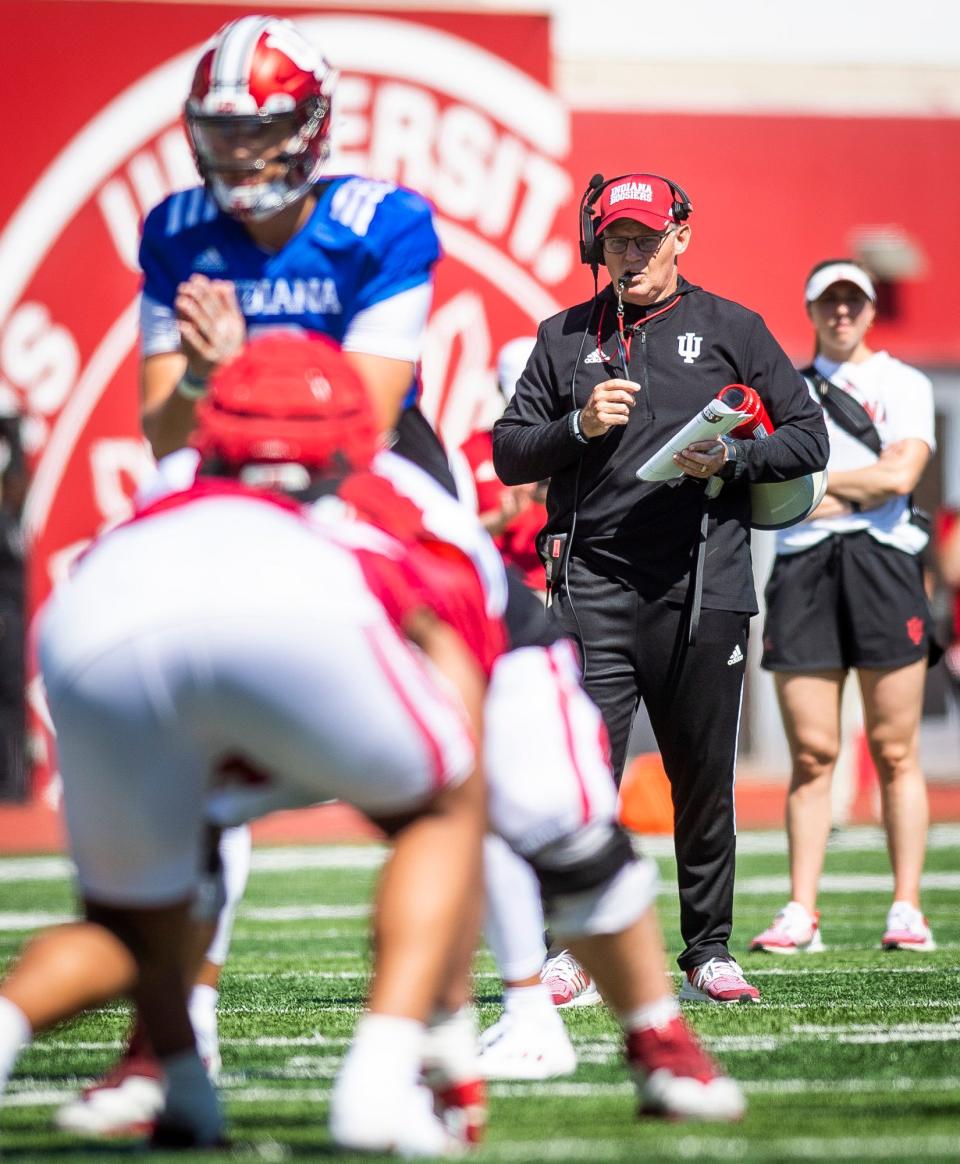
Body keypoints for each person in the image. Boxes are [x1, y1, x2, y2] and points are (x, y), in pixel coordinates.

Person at [57, 13, 456, 1135]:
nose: (236, 158)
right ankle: (173, 1042)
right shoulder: (180, 228)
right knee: (180, 747)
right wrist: (207, 382)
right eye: (220, 134)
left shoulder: (378, 224)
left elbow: (364, 425)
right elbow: (159, 422)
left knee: (492, 732)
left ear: (312, 128)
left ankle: (498, 1011)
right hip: (229, 478)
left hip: (369, 482)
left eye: (259, 132)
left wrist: (238, 369)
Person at [3, 336, 488, 1155]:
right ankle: (381, 1071)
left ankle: (176, 1086)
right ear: (349, 433)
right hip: (298, 604)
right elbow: (457, 644)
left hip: (96, 618)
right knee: (447, 807)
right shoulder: (391, 494)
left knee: (131, 924)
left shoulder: (170, 483)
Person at [493, 172, 829, 1004]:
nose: (632, 255)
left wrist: (736, 460)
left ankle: (708, 949)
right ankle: (568, 949)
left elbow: (808, 438)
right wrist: (578, 426)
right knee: (580, 777)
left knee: (702, 778)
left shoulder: (733, 328)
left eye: (646, 238)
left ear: (682, 235)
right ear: (596, 246)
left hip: (702, 584)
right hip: (591, 585)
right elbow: (507, 451)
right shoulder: (564, 335)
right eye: (617, 240)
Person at [751, 259, 938, 955]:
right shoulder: (787, 389)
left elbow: (902, 474)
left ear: (868, 307)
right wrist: (854, 488)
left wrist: (818, 485)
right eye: (828, 301)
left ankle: (906, 906)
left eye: (851, 300)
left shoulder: (905, 383)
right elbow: (770, 493)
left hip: (885, 567)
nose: (841, 313)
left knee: (895, 748)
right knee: (813, 752)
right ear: (810, 309)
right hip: (803, 571)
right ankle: (801, 910)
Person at [453, 337, 548, 598]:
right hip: (498, 589)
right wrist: (502, 519)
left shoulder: (571, 442)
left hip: (560, 590)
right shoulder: (470, 453)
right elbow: (455, 536)